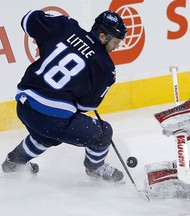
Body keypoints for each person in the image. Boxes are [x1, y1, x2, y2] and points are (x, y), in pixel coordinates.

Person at [2, 9, 127, 183]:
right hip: (53, 120)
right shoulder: (106, 68)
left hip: (24, 105)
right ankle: (95, 168)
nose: (117, 46)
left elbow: (28, 18)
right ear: (102, 36)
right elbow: (85, 107)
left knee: (46, 136)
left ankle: (15, 162)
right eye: (115, 41)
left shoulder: (66, 27)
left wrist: (42, 36)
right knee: (104, 132)